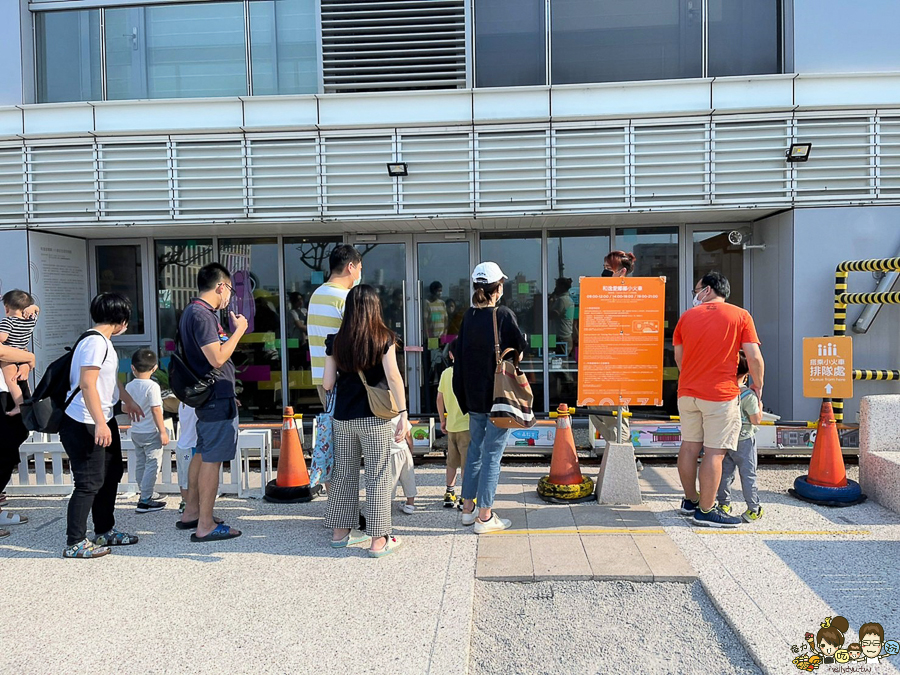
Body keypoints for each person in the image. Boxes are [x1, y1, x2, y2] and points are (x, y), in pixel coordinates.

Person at [323, 284, 409, 558]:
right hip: (375, 419)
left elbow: (327, 383)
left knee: (343, 475)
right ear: (375, 308)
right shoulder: (384, 338)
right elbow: (394, 378)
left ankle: (340, 534)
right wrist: (404, 414)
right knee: (378, 476)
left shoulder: (335, 340)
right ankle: (378, 541)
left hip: (343, 418)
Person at [674, 271, 764, 528]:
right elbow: (754, 357)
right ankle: (706, 510)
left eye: (697, 290)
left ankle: (690, 501)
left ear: (709, 289)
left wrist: (692, 378)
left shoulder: (686, 318)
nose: (695, 295)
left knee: (689, 447)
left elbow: (679, 358)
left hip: (687, 392)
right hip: (720, 394)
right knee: (714, 452)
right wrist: (757, 386)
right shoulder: (740, 316)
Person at [59, 293, 145, 559]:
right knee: (88, 482)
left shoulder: (101, 342)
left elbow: (107, 380)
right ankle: (75, 542)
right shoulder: (95, 343)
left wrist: (126, 400)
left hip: (100, 418)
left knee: (110, 475)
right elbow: (87, 383)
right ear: (120, 320)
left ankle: (104, 529)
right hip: (84, 421)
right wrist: (99, 423)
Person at [454, 262, 526, 534]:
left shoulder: (468, 317)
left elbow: (459, 356)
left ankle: (468, 509)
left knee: (474, 451)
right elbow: (519, 347)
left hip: (473, 399)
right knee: (492, 455)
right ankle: (485, 517)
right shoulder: (503, 315)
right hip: (498, 398)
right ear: (497, 289)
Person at [177, 263, 247, 542]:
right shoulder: (202, 315)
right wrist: (239, 330)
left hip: (212, 395)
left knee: (202, 452)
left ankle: (192, 512)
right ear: (220, 286)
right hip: (214, 396)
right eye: (229, 288)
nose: (229, 295)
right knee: (212, 459)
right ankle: (204, 524)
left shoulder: (192, 312)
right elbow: (216, 358)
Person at [590, 251, 639, 468]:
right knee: (595, 411)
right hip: (600, 363)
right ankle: (622, 454)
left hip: (621, 365)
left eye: (608, 269)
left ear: (622, 272)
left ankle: (626, 456)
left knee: (618, 413)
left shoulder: (632, 296)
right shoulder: (602, 295)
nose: (603, 272)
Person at [308, 245, 363, 406]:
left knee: (331, 428)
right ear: (350, 267)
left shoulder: (316, 295)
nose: (359, 274)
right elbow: (359, 340)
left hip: (322, 377)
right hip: (346, 379)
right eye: (359, 268)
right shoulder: (346, 298)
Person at [716, 352, 764, 522]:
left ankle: (723, 504)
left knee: (725, 473)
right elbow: (756, 420)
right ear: (747, 373)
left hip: (726, 438)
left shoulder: (722, 392)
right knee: (748, 474)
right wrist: (760, 404)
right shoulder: (748, 396)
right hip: (744, 440)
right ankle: (753, 508)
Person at [125, 348, 170, 513]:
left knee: (141, 463)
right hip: (151, 430)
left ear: (132, 368)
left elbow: (124, 407)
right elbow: (156, 409)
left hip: (136, 431)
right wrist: (162, 431)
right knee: (153, 464)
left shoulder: (129, 386)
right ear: (155, 368)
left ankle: (144, 491)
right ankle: (145, 499)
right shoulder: (152, 386)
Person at [0, 342, 36, 536]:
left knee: (8, 451)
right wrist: (29, 358)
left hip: (6, 394)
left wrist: (26, 361)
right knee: (4, 453)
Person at [437, 339, 468, 508]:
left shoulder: (446, 374)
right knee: (466, 463)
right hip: (467, 425)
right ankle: (465, 496)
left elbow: (439, 398)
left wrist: (443, 419)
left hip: (451, 425)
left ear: (450, 354)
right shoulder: (469, 372)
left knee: (451, 462)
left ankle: (449, 493)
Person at [0, 290, 40, 414]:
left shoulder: (7, 322)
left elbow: (2, 340)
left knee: (11, 381)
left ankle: (19, 405)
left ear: (7, 308)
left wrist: (28, 359)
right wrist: (28, 358)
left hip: (9, 360)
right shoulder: (30, 321)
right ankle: (22, 405)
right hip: (19, 354)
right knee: (18, 380)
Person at [390, 416, 417, 514]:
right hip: (404, 450)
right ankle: (410, 504)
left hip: (391, 453)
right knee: (409, 478)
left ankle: (386, 505)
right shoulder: (400, 417)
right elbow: (408, 435)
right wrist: (411, 450)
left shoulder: (382, 417)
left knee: (390, 481)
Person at [175, 401, 197, 514]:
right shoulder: (194, 405)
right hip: (190, 446)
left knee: (183, 476)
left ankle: (185, 501)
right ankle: (187, 503)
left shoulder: (182, 403)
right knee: (188, 479)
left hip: (183, 445)